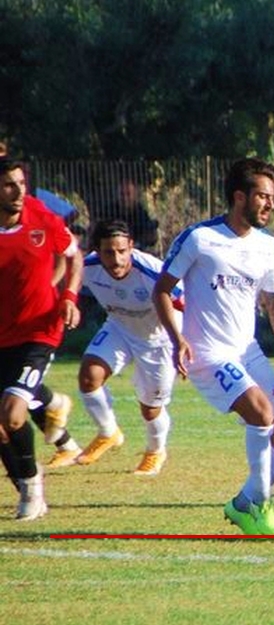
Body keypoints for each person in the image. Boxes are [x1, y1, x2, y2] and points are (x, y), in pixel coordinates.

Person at [153, 157, 274, 535]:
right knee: (261, 412)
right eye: (263, 196)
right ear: (240, 197)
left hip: (247, 351)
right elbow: (161, 291)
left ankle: (244, 501)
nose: (270, 204)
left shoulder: (270, 247)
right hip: (207, 354)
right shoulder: (199, 239)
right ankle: (259, 505)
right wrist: (177, 339)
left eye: (272, 197)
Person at [0, 156, 83, 520]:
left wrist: (67, 296)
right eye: (9, 185)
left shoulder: (40, 215)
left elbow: (72, 254)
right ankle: (24, 483)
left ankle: (33, 488)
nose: (18, 192)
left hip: (39, 331)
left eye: (21, 183)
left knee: (12, 415)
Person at [74, 219, 183, 475]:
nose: (117, 260)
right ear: (97, 251)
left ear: (131, 247)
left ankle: (155, 451)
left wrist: (182, 343)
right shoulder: (88, 267)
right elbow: (63, 277)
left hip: (159, 339)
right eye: (108, 253)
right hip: (119, 328)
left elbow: (186, 304)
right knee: (89, 377)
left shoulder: (152, 273)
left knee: (150, 408)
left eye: (122, 251)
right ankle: (108, 432)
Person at [92, 178, 158, 252]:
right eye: (122, 194)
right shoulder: (108, 211)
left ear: (134, 195)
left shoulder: (141, 214)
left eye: (128, 194)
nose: (125, 198)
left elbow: (150, 238)